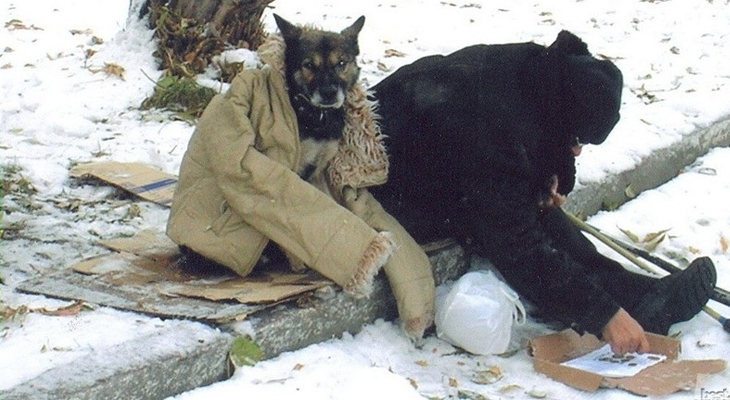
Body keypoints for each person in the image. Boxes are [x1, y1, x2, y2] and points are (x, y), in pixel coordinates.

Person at [368, 30, 717, 354]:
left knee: (528, 203)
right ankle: (623, 302)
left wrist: (552, 175)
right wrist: (603, 316)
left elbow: (545, 136)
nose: (577, 152)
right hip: (388, 186)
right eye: (577, 141)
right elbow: (517, 246)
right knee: (522, 222)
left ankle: (641, 296)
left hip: (435, 151)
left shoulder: (541, 70)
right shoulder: (491, 135)